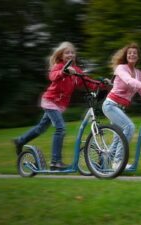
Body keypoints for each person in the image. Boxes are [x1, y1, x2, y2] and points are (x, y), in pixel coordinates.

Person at [13, 41, 106, 170]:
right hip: (50, 101)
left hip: (59, 105)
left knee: (41, 128)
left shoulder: (76, 70)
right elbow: (53, 76)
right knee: (60, 128)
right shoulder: (59, 66)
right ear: (61, 55)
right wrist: (64, 72)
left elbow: (87, 82)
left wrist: (102, 84)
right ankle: (55, 162)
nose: (71, 54)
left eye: (72, 52)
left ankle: (20, 140)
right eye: (67, 52)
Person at [102, 42, 141, 169]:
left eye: (134, 53)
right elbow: (129, 81)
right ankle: (118, 162)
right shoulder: (121, 68)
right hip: (110, 105)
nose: (132, 54)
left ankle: (104, 162)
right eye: (129, 53)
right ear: (126, 55)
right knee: (129, 127)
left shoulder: (139, 73)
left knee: (118, 137)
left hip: (120, 108)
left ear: (138, 57)